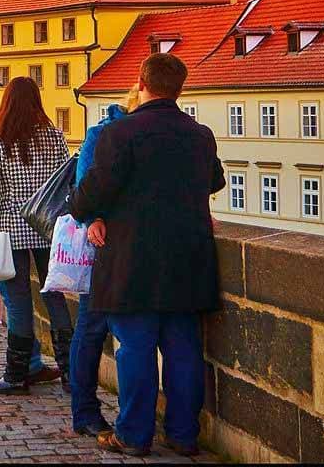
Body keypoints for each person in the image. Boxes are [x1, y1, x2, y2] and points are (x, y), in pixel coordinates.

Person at [71, 53, 224, 457]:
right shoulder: (201, 134)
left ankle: (134, 436)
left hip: (132, 260)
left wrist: (89, 213)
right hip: (188, 259)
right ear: (180, 88)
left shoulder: (121, 134)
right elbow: (216, 180)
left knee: (135, 348)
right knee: (184, 350)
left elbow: (91, 193)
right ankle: (182, 434)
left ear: (142, 82)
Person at [0, 77, 73, 394]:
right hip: (48, 227)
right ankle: (72, 374)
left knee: (18, 304)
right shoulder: (54, 137)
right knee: (55, 297)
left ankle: (16, 376)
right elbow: (66, 182)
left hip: (11, 228)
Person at [66, 86, 137, 437]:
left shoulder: (135, 134)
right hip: (101, 247)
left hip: (130, 246)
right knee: (92, 328)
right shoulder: (101, 135)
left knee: (101, 330)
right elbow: (82, 187)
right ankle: (84, 410)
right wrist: (91, 218)